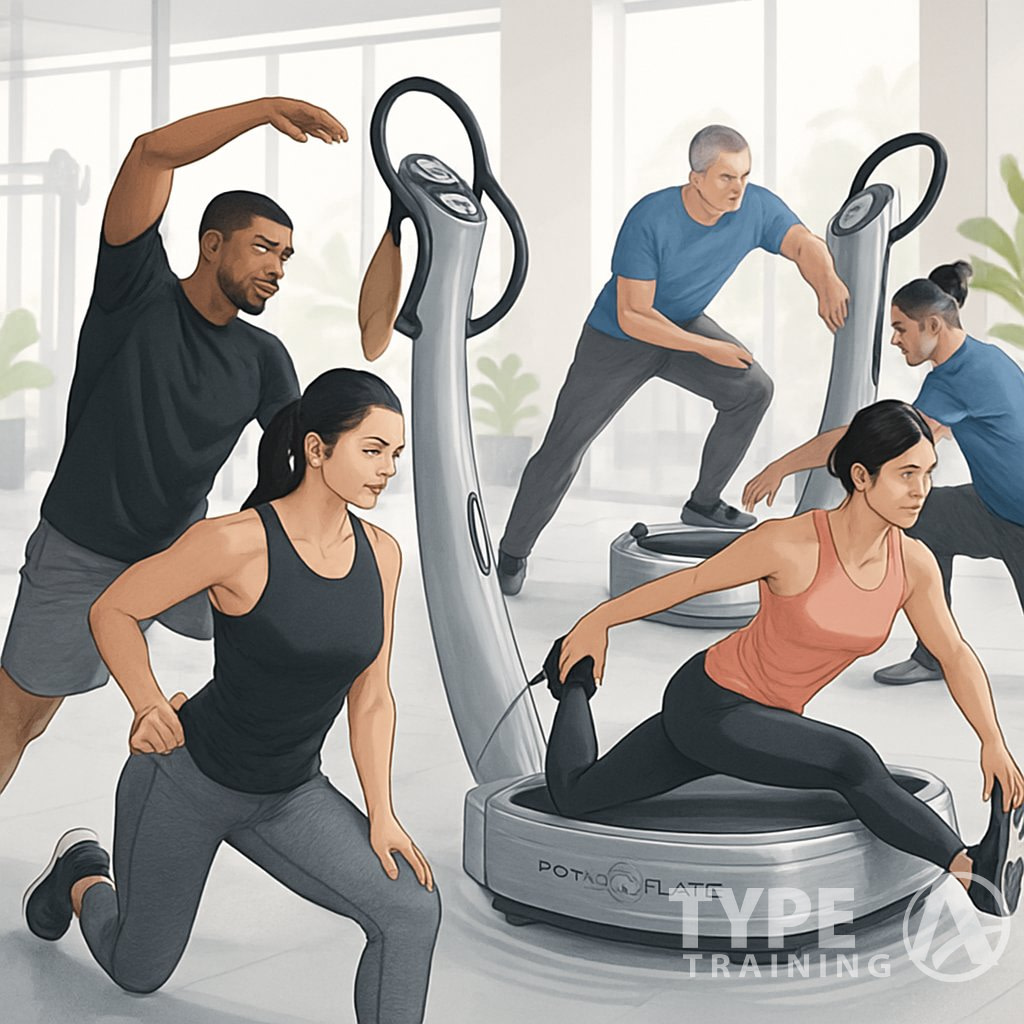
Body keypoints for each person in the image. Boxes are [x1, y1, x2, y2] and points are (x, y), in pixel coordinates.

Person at [22, 369, 441, 1024]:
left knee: (411, 909)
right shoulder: (235, 542)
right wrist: (148, 702)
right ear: (316, 448)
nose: (387, 468)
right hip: (186, 783)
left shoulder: (381, 554)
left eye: (395, 453)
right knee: (138, 971)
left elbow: (372, 696)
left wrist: (381, 813)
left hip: (290, 796)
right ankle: (80, 873)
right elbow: (114, 609)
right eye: (372, 449)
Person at [539, 401, 1024, 917]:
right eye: (906, 475)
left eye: (928, 473)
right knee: (851, 760)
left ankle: (573, 685)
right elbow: (692, 582)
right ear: (861, 476)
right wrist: (598, 620)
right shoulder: (790, 543)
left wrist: (992, 739)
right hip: (709, 704)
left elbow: (953, 652)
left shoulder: (913, 563)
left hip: (762, 722)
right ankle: (973, 870)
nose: (921, 489)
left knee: (575, 794)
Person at [0, 96, 348, 794]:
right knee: (20, 716)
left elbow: (300, 464)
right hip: (83, 544)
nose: (277, 267)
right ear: (211, 244)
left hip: (177, 552)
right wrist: (263, 110)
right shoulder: (135, 293)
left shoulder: (263, 356)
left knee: (287, 641)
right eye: (262, 248)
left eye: (284, 255)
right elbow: (149, 153)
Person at [496, 124, 850, 596]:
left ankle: (703, 504)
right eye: (726, 177)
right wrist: (707, 346)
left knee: (751, 388)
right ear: (696, 177)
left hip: (681, 323)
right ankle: (513, 551)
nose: (738, 188)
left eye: (744, 175)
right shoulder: (651, 217)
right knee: (565, 446)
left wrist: (825, 280)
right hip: (617, 340)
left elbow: (805, 243)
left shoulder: (754, 206)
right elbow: (634, 314)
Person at [743, 261, 1024, 685]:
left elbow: (868, 438)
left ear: (932, 325)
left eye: (901, 329)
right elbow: (954, 427)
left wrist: (783, 465)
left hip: (1018, 517)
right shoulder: (982, 359)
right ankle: (933, 653)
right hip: (993, 504)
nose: (894, 340)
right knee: (924, 519)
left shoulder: (958, 380)